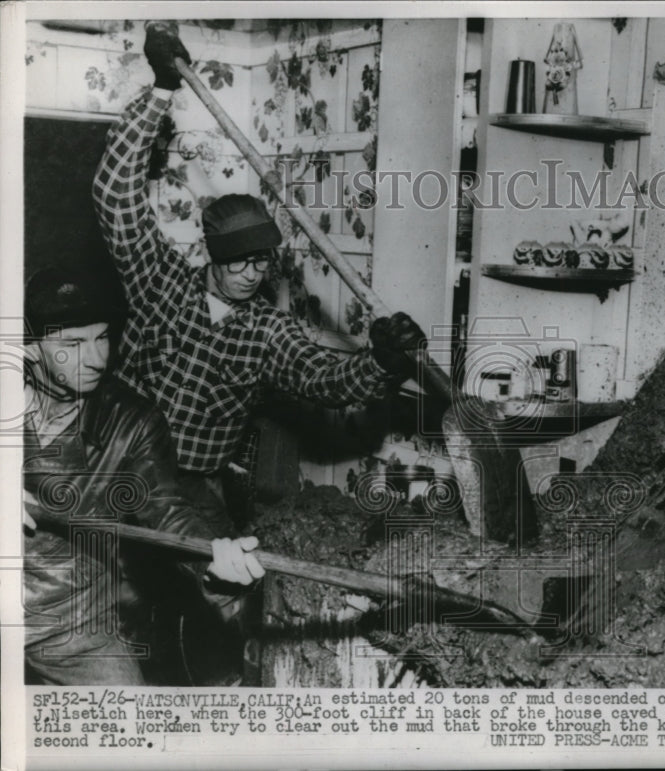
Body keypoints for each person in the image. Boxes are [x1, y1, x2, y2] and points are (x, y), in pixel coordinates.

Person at [92, 22, 425, 518]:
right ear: (211, 254)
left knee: (226, 586)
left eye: (263, 260)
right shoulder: (156, 279)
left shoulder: (268, 329)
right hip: (116, 467)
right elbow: (114, 193)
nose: (253, 273)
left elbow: (324, 378)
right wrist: (163, 88)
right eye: (239, 261)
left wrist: (383, 362)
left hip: (193, 489)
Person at [22, 266, 265, 685]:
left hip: (70, 622)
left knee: (131, 720)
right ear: (31, 347)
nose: (97, 358)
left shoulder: (132, 421)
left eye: (102, 337)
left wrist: (212, 560)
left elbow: (167, 511)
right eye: (74, 343)